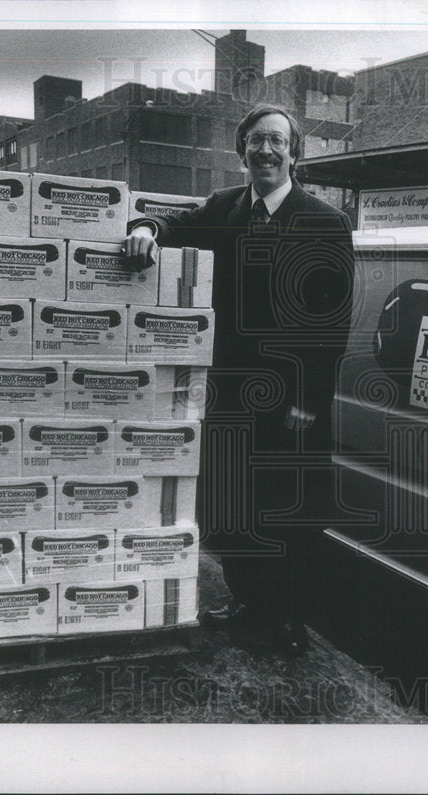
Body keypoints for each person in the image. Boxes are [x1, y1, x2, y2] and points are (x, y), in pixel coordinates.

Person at [122, 104, 355, 656]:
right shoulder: (224, 209)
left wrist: (305, 406)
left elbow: (332, 328)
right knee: (237, 509)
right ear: (242, 151)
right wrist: (145, 226)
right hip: (229, 397)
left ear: (293, 152)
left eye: (276, 141)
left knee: (290, 515)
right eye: (256, 141)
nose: (266, 151)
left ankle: (289, 619)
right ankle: (249, 599)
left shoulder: (325, 222)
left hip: (293, 402)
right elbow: (177, 226)